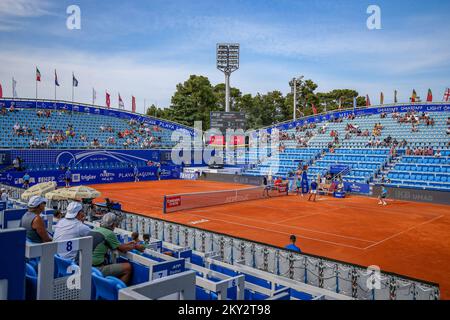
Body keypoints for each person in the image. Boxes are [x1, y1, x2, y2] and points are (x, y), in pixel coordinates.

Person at [92, 213, 145, 284]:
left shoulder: (95, 229)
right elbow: (122, 249)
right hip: (95, 269)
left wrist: (128, 244)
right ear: (113, 225)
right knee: (128, 267)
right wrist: (136, 246)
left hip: (85, 266)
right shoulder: (109, 233)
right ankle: (117, 291)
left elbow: (115, 245)